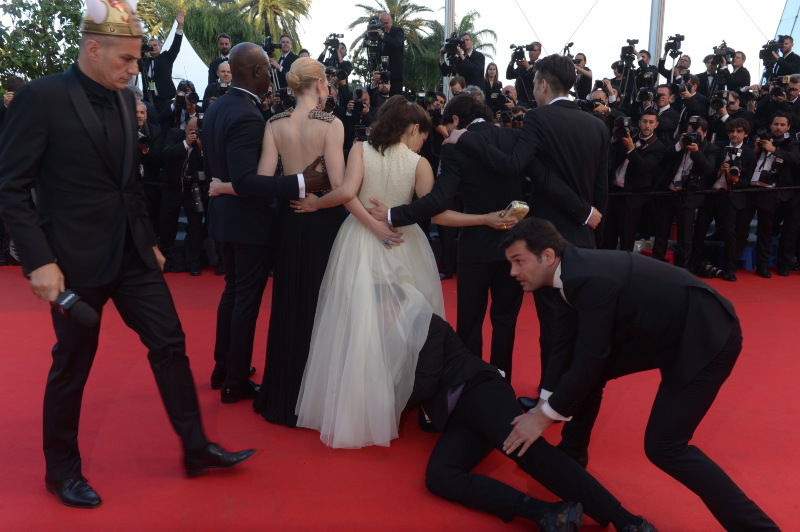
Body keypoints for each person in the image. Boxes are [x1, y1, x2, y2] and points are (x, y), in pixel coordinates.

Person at [0, 0, 254, 509]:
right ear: (93, 49)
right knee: (73, 365)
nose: (136, 69)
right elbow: (11, 186)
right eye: (127, 59)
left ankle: (196, 448)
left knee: (171, 344)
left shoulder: (122, 98)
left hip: (133, 256)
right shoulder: (41, 97)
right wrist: (38, 260)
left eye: (139, 59)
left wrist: (151, 241)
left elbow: (128, 185)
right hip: (73, 262)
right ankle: (61, 471)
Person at [500, 217, 780, 532]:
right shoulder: (565, 276)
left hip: (707, 336)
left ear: (547, 256)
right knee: (589, 372)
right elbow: (563, 347)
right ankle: (571, 461)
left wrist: (543, 417)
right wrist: (544, 404)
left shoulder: (589, 277)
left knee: (665, 447)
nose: (513, 272)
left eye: (518, 261)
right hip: (665, 331)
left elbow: (591, 356)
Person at [293, 96, 496, 448]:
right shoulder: (419, 164)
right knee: (409, 327)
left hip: (359, 240)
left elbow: (346, 194)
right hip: (405, 244)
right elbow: (438, 214)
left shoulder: (360, 149)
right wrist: (484, 218)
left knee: (359, 324)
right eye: (422, 135)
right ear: (413, 128)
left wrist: (369, 225)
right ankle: (397, 399)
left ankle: (359, 405)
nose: (423, 142)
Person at [445, 54, 606, 411]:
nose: (532, 91)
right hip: (585, 239)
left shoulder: (538, 118)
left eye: (533, 84)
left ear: (544, 84)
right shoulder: (597, 125)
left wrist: (465, 139)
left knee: (551, 321)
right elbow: (599, 189)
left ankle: (549, 399)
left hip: (547, 239)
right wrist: (589, 218)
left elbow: (515, 165)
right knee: (578, 322)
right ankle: (564, 395)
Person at [410, 313, 657, 532]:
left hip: (479, 390)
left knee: (528, 449)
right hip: (455, 417)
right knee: (439, 477)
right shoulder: (379, 342)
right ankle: (546, 512)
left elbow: (424, 385)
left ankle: (626, 520)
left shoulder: (428, 323)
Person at [203, 46, 328, 404]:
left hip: (226, 219)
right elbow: (246, 181)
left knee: (233, 293)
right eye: (266, 71)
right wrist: (303, 182)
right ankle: (234, 381)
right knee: (245, 299)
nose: (270, 77)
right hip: (247, 222)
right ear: (257, 72)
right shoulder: (246, 115)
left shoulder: (217, 107)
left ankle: (224, 368)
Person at [144, 9, 185, 113]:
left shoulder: (166, 57)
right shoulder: (145, 61)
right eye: (150, 46)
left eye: (155, 45)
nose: (153, 47)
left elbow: (176, 46)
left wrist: (179, 26)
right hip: (149, 100)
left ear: (160, 47)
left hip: (166, 99)